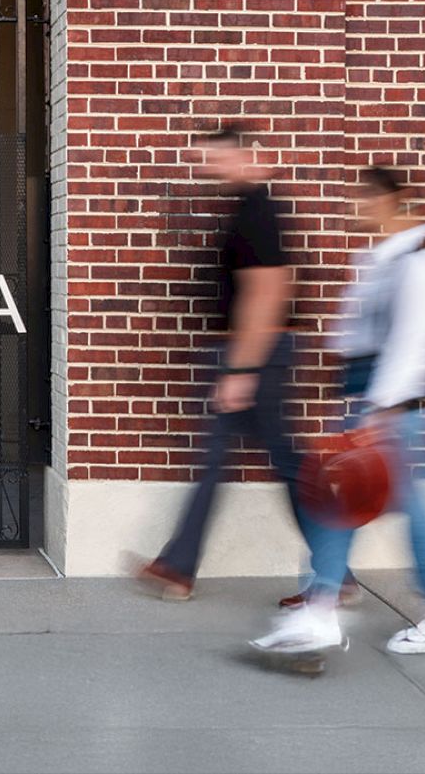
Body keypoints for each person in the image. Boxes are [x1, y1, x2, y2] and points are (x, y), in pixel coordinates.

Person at [252, 163, 425, 655]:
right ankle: (327, 602)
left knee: (359, 503)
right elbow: (354, 334)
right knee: (341, 500)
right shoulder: (379, 258)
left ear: (397, 200)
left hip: (398, 405)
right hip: (371, 399)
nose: (360, 207)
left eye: (368, 199)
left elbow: (417, 342)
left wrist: (380, 410)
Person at [136, 124, 304, 600]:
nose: (210, 168)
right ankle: (178, 565)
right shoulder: (246, 207)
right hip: (251, 353)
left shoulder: (258, 209)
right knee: (237, 462)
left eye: (216, 157)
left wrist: (241, 371)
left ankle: (334, 575)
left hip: (258, 356)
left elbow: (267, 292)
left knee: (284, 465)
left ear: (244, 155)